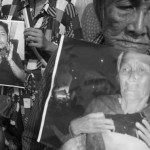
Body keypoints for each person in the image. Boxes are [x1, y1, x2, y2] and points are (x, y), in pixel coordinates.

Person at [22, 0, 150, 149]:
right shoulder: (67, 61)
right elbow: (31, 138)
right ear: (100, 10)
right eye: (125, 7)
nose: (139, 28)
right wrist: (72, 131)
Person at [63, 51, 150, 150]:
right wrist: (74, 129)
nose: (131, 78)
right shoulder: (100, 104)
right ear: (118, 76)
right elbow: (66, 144)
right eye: (125, 69)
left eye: (141, 70)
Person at [0, 21, 25, 86]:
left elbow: (23, 78)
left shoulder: (14, 54)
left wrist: (10, 60)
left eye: (2, 34)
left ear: (7, 37)